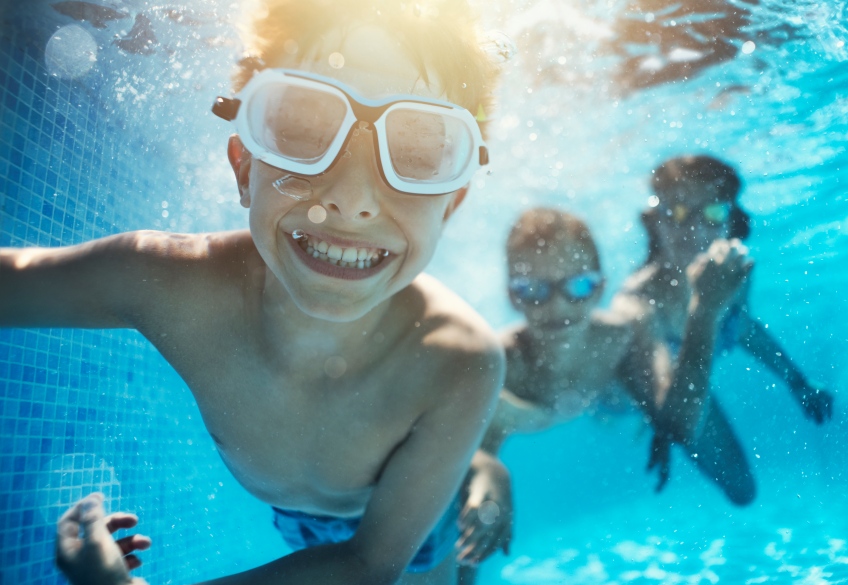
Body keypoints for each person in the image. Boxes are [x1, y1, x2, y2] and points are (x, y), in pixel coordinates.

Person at [3, 1, 507, 583]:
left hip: (410, 531)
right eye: (303, 129)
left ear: (453, 202)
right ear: (245, 167)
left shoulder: (458, 360)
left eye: (419, 153)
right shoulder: (170, 285)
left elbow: (370, 564)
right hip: (297, 521)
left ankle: (484, 477)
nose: (351, 198)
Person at [453, 208, 753, 580]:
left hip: (619, 397)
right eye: (533, 290)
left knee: (743, 489)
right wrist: (491, 484)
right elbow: (471, 466)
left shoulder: (621, 336)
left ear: (600, 287)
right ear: (512, 297)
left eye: (577, 286)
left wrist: (704, 312)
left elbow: (679, 425)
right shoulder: (499, 367)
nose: (557, 307)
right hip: (598, 399)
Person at [612, 154, 835, 504]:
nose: (695, 228)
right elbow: (654, 390)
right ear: (655, 221)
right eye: (679, 212)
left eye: (713, 213)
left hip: (683, 387)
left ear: (731, 222)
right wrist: (662, 425)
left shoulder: (731, 271)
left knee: (743, 490)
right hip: (622, 398)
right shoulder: (638, 302)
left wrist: (798, 381)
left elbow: (742, 327)